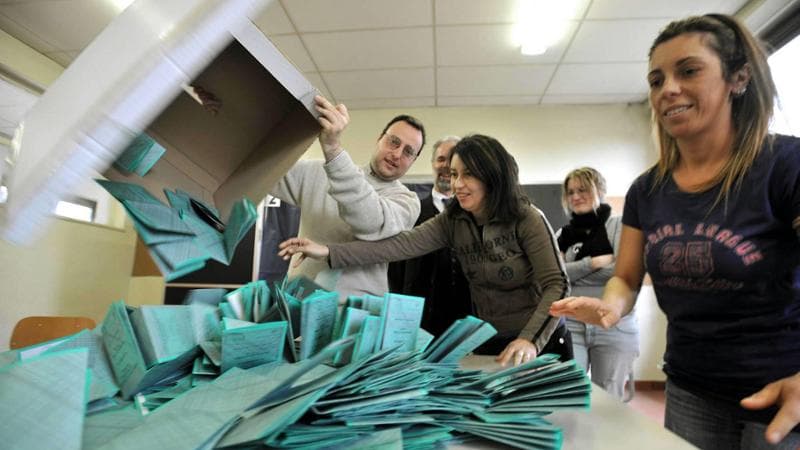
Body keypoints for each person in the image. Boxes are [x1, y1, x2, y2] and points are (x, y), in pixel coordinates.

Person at [550, 14, 800, 449]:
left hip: (778, 388)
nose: (668, 89)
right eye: (656, 80)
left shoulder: (784, 165)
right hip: (690, 386)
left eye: (688, 71)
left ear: (738, 78)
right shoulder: (647, 190)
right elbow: (626, 277)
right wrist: (610, 307)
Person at [279, 134, 572, 366]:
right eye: (454, 174)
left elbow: (557, 284)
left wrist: (529, 340)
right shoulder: (454, 221)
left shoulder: (526, 218)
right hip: (492, 341)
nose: (457, 184)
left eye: (468, 174)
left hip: (539, 340)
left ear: (492, 176)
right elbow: (397, 246)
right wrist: (328, 251)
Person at [270, 95, 425, 300]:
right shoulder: (317, 172)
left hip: (358, 313)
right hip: (299, 304)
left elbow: (369, 222)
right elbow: (262, 170)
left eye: (408, 151)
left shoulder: (406, 201)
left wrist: (333, 149)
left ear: (413, 160)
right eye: (393, 142)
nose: (397, 154)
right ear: (379, 139)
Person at [556, 167, 639, 401]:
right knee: (569, 393)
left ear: (600, 190)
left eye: (583, 189)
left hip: (613, 325)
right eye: (570, 192)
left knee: (608, 399)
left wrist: (571, 271)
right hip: (572, 323)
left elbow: (621, 272)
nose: (576, 196)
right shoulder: (562, 234)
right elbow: (556, 276)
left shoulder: (619, 225)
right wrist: (591, 264)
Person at [387, 136, 472, 336]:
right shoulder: (412, 211)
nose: (446, 165)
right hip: (418, 323)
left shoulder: (474, 215)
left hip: (465, 323)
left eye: (453, 159)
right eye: (441, 159)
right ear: (433, 163)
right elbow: (396, 269)